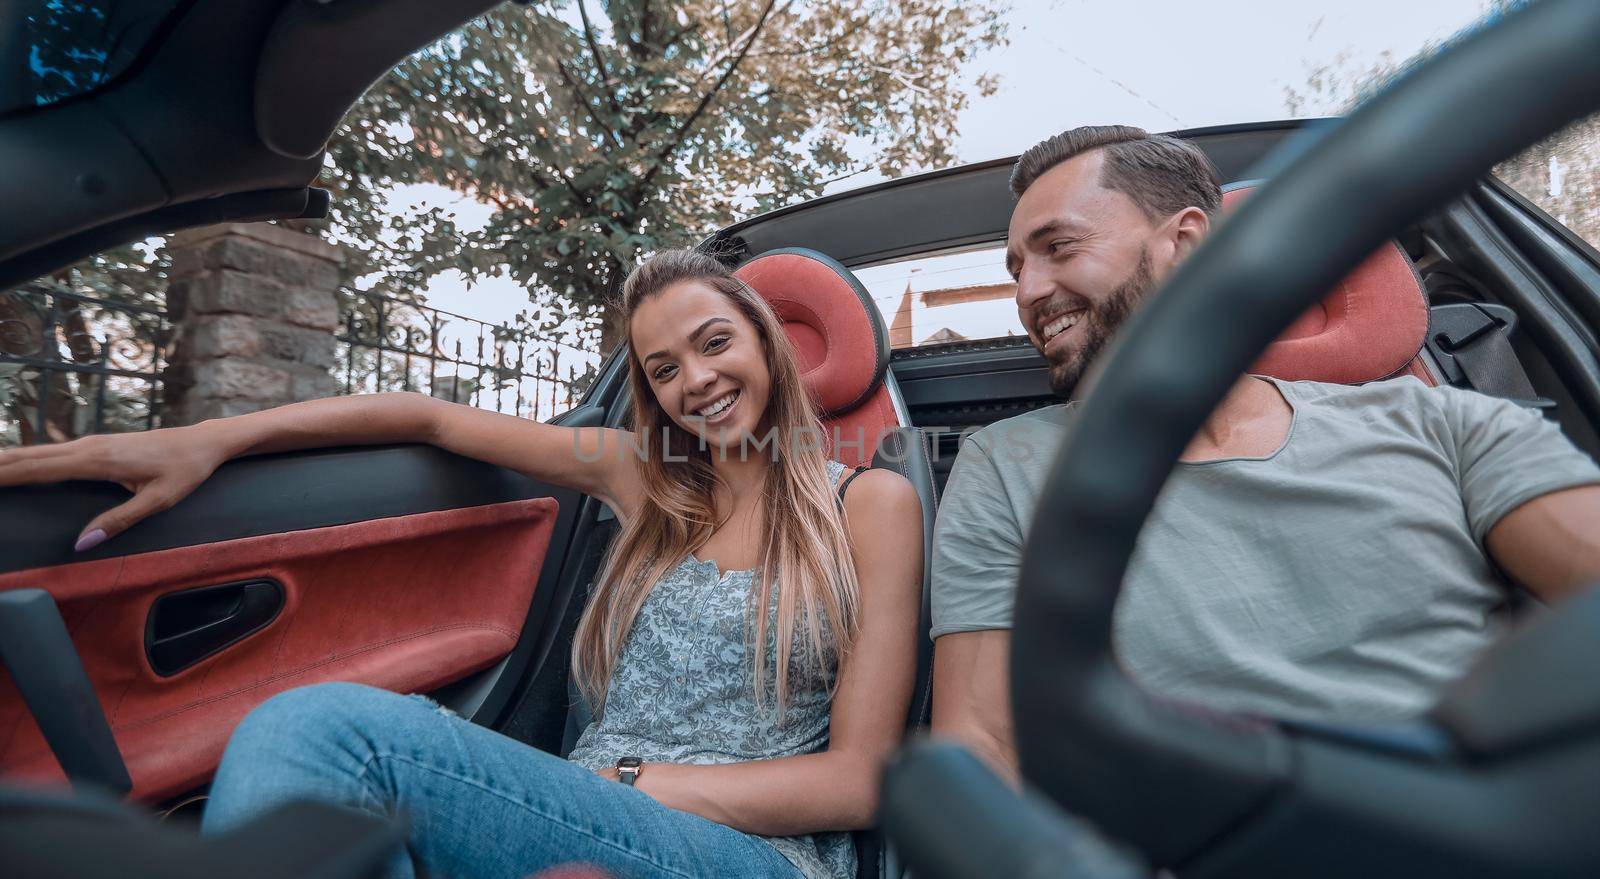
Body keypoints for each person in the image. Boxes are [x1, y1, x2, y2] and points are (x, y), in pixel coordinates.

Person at [0, 249, 923, 879]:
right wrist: (215, 438)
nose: (697, 380)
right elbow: (428, 417)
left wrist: (631, 784)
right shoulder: (645, 479)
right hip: (596, 805)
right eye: (664, 368)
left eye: (714, 342)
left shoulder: (867, 505)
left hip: (748, 853)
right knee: (351, 818)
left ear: (764, 340)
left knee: (330, 734)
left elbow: (860, 779)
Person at [929, 125, 1600, 782]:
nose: (1026, 293)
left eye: (1059, 247)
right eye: (1017, 268)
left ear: (1186, 243)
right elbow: (982, 746)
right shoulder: (1004, 464)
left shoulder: (1440, 423)